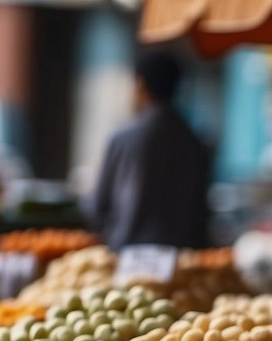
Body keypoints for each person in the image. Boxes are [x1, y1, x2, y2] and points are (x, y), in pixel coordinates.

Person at [91, 50, 214, 249]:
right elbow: (201, 214)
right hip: (181, 260)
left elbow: (98, 209)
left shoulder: (122, 139)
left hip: (127, 253)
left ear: (140, 84)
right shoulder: (195, 143)